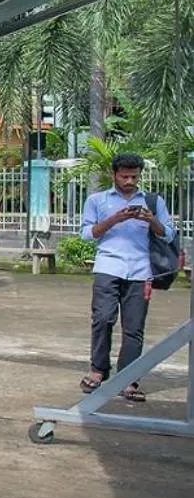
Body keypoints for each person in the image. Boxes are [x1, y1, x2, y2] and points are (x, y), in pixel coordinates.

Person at [79, 151, 175, 402]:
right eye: (125, 176)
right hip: (108, 268)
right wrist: (114, 219)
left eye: (134, 176)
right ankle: (98, 370)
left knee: (134, 328)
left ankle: (129, 379)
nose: (130, 181)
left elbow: (168, 235)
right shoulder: (97, 200)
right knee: (102, 319)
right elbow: (87, 234)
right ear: (114, 175)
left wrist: (151, 219)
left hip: (141, 271)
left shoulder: (153, 201)